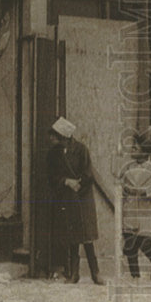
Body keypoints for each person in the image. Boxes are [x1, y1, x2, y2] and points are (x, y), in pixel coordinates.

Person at [46, 117, 102, 285]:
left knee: (87, 237)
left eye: (54, 135)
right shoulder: (53, 153)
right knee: (71, 238)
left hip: (82, 198)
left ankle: (95, 273)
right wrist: (65, 181)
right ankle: (74, 274)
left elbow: (88, 173)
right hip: (66, 198)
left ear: (64, 136)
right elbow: (51, 176)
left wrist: (78, 184)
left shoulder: (81, 150)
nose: (51, 138)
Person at [118, 127, 151, 281]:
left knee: (145, 244)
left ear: (144, 151)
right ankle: (135, 277)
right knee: (129, 246)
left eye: (135, 147)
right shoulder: (128, 168)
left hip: (146, 213)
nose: (132, 149)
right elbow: (121, 186)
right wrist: (125, 190)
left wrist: (145, 192)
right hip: (130, 211)